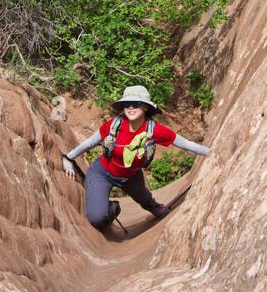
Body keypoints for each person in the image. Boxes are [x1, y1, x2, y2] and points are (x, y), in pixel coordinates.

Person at [63, 84, 210, 231]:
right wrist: (69, 158)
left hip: (131, 176)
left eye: (136, 104)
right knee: (97, 218)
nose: (130, 107)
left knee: (145, 200)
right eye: (127, 104)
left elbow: (184, 144)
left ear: (145, 107)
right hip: (102, 172)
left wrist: (212, 152)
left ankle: (154, 207)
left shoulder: (153, 130)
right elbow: (90, 142)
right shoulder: (115, 125)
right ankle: (112, 209)